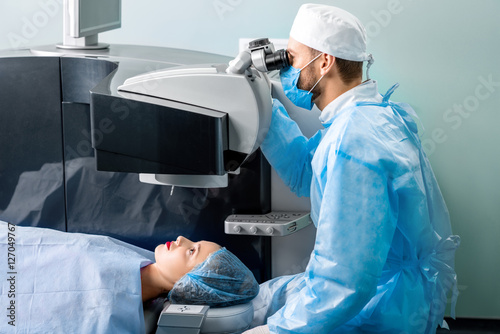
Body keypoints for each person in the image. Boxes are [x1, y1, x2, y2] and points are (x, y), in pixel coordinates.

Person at [244, 4, 460, 334]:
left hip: (382, 308)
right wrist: (259, 104)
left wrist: (277, 331)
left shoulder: (353, 140)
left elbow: (344, 280)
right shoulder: (367, 117)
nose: (287, 71)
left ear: (325, 61)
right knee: (264, 298)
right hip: (392, 293)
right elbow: (306, 171)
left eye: (292, 58)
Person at [0, 221, 258, 334]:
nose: (181, 239)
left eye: (191, 251)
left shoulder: (108, 313)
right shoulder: (135, 260)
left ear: (191, 284)